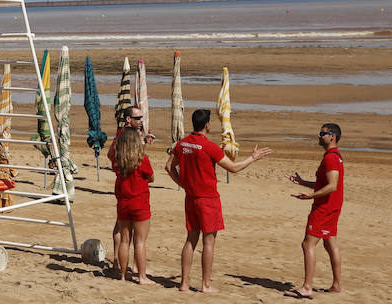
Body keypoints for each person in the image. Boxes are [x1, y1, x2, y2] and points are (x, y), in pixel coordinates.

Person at [165, 109, 272, 293]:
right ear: (207, 125)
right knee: (209, 242)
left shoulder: (182, 144)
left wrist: (183, 184)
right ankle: (205, 284)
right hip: (207, 199)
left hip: (191, 197)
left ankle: (184, 283)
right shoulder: (209, 146)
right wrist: (252, 158)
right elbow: (233, 168)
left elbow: (169, 167)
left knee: (191, 239)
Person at [285, 123, 344, 299]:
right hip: (332, 206)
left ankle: (307, 287)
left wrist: (310, 196)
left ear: (332, 137)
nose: (319, 136)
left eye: (322, 133)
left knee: (307, 244)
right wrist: (302, 182)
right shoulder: (334, 156)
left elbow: (332, 186)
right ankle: (336, 285)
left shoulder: (331, 158)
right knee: (329, 243)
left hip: (324, 208)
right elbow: (324, 184)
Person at [107, 106, 146, 272]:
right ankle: (121, 262)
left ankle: (123, 264)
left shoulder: (128, 134)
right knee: (124, 228)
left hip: (123, 182)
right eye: (138, 118)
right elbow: (111, 154)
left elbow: (113, 155)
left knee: (124, 226)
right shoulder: (123, 135)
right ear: (128, 120)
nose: (141, 121)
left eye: (141, 118)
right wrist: (123, 168)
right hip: (128, 184)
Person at [113, 128, 154, 283]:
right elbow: (151, 177)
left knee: (125, 240)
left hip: (124, 203)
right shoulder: (142, 160)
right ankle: (142, 277)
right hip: (139, 203)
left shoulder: (118, 162)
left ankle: (123, 275)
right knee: (140, 241)